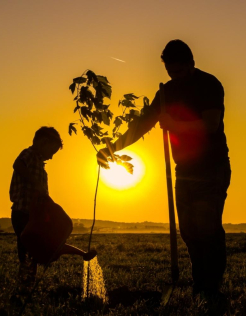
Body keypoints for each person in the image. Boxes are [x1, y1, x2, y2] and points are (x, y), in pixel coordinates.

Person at [97, 40, 231, 299]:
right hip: (185, 170)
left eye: (179, 71)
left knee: (208, 228)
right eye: (170, 72)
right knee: (189, 231)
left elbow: (210, 124)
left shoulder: (209, 85)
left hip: (212, 168)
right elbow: (142, 124)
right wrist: (112, 148)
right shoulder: (166, 92)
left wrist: (175, 125)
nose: (174, 77)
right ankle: (200, 283)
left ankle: (210, 288)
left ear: (191, 64)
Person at [10, 126, 96, 284]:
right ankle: (25, 283)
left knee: (46, 243)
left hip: (36, 214)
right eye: (51, 152)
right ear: (42, 143)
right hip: (23, 213)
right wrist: (35, 183)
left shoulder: (40, 166)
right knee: (29, 249)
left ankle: (82, 254)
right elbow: (17, 165)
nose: (51, 157)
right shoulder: (28, 154)